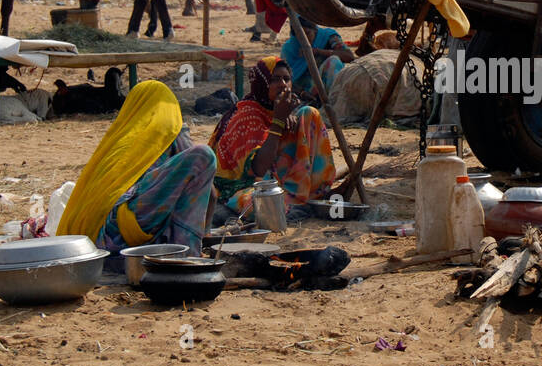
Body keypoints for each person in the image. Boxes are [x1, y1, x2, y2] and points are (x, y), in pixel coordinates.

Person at [56, 81, 216, 254]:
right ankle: (188, 255)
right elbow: (210, 189)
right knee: (203, 155)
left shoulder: (119, 137)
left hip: (98, 236)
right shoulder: (168, 129)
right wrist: (205, 233)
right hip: (127, 226)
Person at [208, 57, 337, 214]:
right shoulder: (247, 115)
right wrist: (278, 122)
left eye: (287, 79)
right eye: (275, 79)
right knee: (256, 203)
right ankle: (291, 201)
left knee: (309, 114)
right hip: (240, 185)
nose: (283, 84)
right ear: (262, 84)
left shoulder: (278, 111)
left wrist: (282, 117)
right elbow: (258, 171)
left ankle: (313, 192)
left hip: (274, 182)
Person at [279, 15, 355, 98]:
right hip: (305, 93)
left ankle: (335, 100)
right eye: (299, 35)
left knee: (334, 61)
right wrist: (303, 94)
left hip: (331, 88)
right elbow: (285, 81)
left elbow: (349, 56)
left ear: (315, 30)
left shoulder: (327, 36)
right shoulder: (289, 49)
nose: (305, 39)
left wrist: (319, 51)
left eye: (308, 33)